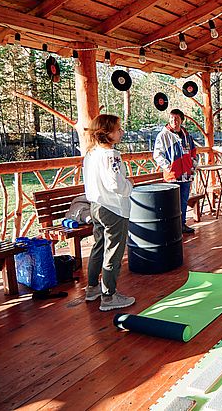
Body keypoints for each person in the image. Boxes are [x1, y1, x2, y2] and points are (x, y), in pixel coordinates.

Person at [83, 114, 135, 312]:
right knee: (113, 251)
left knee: (99, 247)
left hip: (97, 206)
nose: (121, 132)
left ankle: (92, 288)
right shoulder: (110, 155)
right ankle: (109, 296)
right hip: (113, 208)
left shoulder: (91, 154)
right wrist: (129, 185)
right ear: (106, 133)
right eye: (118, 129)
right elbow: (115, 184)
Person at [153, 109, 198, 234]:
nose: (174, 121)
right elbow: (157, 155)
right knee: (171, 202)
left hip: (186, 175)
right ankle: (171, 227)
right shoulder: (163, 135)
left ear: (181, 120)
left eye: (177, 118)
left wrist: (193, 165)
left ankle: (181, 224)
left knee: (183, 201)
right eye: (172, 118)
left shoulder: (187, 135)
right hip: (172, 176)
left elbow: (194, 152)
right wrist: (169, 167)